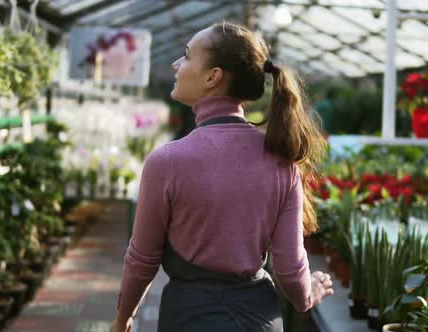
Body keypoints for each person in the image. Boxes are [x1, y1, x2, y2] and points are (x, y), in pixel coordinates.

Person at [110, 22, 334, 332]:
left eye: (187, 57)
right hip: (260, 319)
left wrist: (123, 319)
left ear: (213, 77)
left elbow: (142, 259)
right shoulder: (282, 162)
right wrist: (309, 294)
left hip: (188, 318)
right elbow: (289, 270)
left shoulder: (167, 161)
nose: (176, 65)